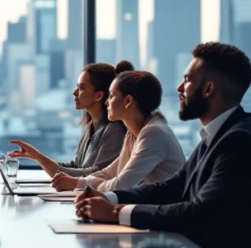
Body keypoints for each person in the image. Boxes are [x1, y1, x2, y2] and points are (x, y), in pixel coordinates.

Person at [74, 43, 251, 247]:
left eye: (187, 81)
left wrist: (115, 212)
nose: (179, 88)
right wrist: (109, 198)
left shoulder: (239, 142)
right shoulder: (220, 134)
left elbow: (199, 213)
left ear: (208, 89)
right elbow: (173, 187)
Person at [50, 62, 185, 192]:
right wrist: (79, 183)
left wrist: (78, 184)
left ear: (127, 101)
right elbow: (111, 172)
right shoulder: (134, 133)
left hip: (166, 211)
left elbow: (120, 185)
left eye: (112, 96)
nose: (107, 101)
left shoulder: (154, 133)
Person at [8, 62, 127, 177]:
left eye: (81, 88)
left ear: (99, 96)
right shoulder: (90, 127)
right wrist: (38, 157)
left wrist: (40, 158)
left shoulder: (114, 131)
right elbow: (77, 167)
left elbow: (96, 176)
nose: (75, 93)